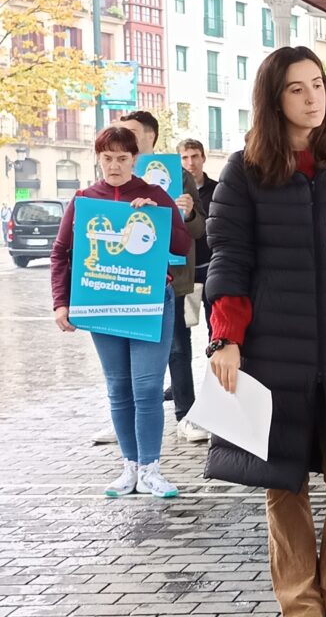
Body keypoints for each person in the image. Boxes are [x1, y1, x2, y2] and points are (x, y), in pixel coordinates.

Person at [204, 46, 326, 616]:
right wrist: (226, 336)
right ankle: (300, 606)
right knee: (283, 489)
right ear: (273, 97)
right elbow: (229, 257)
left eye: (317, 84)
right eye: (297, 88)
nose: (312, 96)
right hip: (274, 352)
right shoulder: (244, 172)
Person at [51, 126, 192, 497]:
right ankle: (129, 467)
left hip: (150, 302)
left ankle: (151, 469)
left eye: (122, 158)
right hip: (103, 302)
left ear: (134, 160)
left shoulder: (154, 195)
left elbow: (182, 244)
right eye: (107, 158)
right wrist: (60, 302)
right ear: (98, 159)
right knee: (118, 389)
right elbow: (61, 254)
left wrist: (159, 216)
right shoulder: (83, 200)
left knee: (146, 387)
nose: (114, 165)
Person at [119, 110, 209, 445]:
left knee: (176, 347)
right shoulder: (117, 172)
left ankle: (186, 415)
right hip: (127, 276)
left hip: (172, 274)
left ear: (150, 137)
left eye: (130, 131)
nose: (123, 136)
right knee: (125, 347)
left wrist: (186, 213)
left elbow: (199, 228)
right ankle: (123, 418)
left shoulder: (179, 176)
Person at [178, 139, 218, 339]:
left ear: (203, 158)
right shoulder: (173, 191)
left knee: (217, 327)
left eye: (194, 156)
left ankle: (216, 369)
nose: (190, 162)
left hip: (211, 267)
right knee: (182, 330)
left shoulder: (219, 189)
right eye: (184, 157)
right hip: (184, 270)